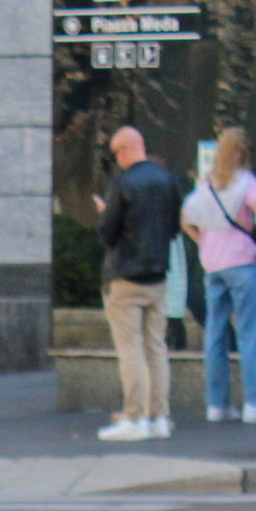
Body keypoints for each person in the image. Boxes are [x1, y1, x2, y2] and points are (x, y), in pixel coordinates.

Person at [181, 126, 256, 425]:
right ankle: (255, 403)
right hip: (244, 264)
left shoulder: (207, 185)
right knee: (252, 331)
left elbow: (186, 220)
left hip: (213, 267)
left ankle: (217, 404)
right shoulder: (248, 182)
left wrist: (204, 243)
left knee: (215, 334)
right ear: (242, 153)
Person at [94, 124, 180, 441]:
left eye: (116, 153)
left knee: (130, 350)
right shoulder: (168, 180)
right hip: (158, 276)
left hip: (125, 276)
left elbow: (107, 233)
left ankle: (134, 417)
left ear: (126, 149)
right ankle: (159, 416)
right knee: (156, 348)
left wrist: (103, 213)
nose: (116, 159)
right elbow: (174, 227)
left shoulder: (123, 183)